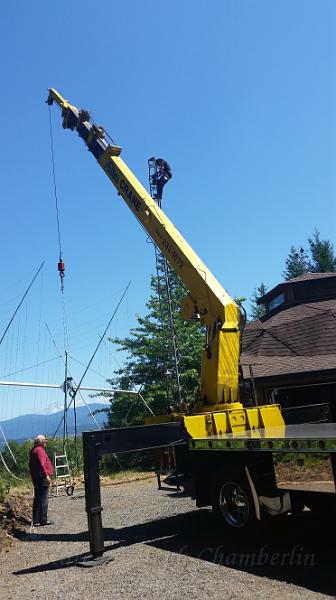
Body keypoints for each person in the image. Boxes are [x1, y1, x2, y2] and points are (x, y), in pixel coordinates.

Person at [29, 434, 54, 526]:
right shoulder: (40, 451)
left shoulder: (33, 450)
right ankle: (43, 519)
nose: (46, 442)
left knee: (38, 497)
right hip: (42, 477)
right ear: (41, 442)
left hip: (36, 477)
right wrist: (46, 475)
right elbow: (42, 464)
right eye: (45, 440)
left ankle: (36, 519)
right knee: (44, 498)